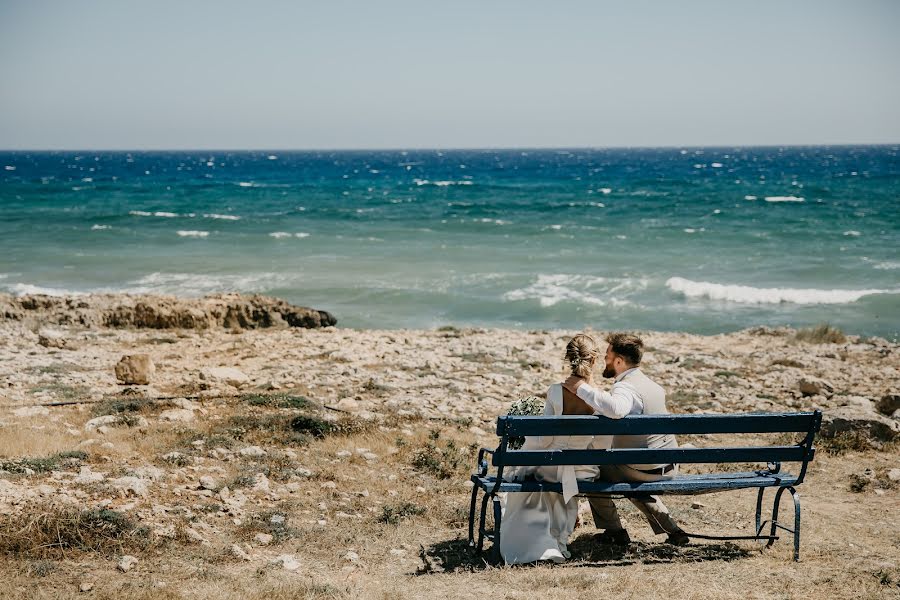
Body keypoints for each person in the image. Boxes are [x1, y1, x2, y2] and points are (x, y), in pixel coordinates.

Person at [498, 333, 643, 564]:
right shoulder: (601, 398)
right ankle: (558, 536)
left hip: (551, 466)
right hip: (581, 471)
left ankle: (536, 536)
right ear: (594, 360)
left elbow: (544, 439)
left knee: (535, 470)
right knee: (562, 473)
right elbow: (601, 445)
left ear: (568, 359)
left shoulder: (555, 391)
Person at [564, 332, 690, 546]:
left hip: (644, 469)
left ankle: (614, 531)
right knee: (625, 473)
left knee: (595, 470)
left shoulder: (625, 387)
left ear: (619, 361)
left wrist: (580, 388)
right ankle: (673, 530)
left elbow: (616, 408)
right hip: (666, 466)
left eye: (608, 356)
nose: (604, 360)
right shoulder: (652, 386)